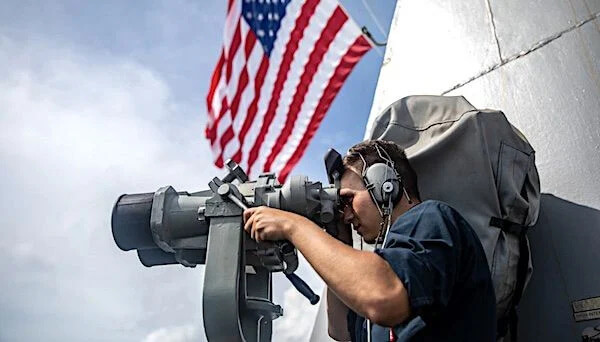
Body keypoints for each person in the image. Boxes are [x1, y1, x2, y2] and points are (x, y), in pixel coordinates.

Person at [243, 140, 496, 341]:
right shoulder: (389, 262)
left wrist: (293, 226)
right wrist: (339, 239)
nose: (346, 215)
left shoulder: (429, 218)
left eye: (348, 199)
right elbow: (340, 330)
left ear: (385, 184)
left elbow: (383, 297)